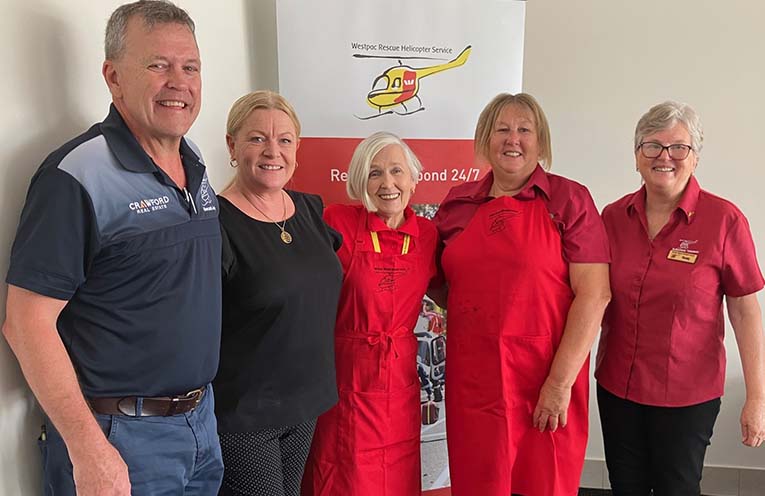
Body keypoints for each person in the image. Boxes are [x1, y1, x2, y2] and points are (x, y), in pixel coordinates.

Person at [1, 1, 223, 494]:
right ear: (114, 77)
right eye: (158, 65)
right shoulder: (75, 176)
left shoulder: (194, 161)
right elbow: (26, 323)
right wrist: (88, 449)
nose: (179, 82)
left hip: (200, 427)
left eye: (190, 67)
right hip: (120, 439)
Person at [431, 93, 611, 496]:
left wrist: (559, 385)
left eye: (524, 130)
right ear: (485, 139)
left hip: (545, 378)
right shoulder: (458, 204)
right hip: (474, 381)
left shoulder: (569, 200)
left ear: (540, 141)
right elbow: (440, 283)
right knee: (479, 481)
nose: (513, 139)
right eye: (502, 129)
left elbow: (595, 294)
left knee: (542, 482)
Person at [596, 101, 765, 495]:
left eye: (678, 147)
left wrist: (757, 397)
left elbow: (745, 311)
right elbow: (591, 295)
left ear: (695, 157)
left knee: (678, 488)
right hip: (618, 388)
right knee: (625, 487)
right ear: (636, 155)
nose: (664, 156)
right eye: (652, 145)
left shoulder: (724, 220)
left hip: (687, 396)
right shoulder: (611, 217)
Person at [213, 90, 343, 496]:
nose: (273, 151)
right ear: (232, 146)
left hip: (304, 403)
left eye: (284, 140)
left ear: (296, 148)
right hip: (245, 415)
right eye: (257, 138)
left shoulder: (310, 210)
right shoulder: (215, 223)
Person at [302, 132, 438, 496]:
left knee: (397, 476)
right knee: (343, 474)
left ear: (413, 178)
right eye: (375, 173)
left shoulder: (428, 235)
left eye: (396, 171)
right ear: (361, 182)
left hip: (400, 378)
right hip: (347, 377)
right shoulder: (337, 222)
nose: (387, 183)